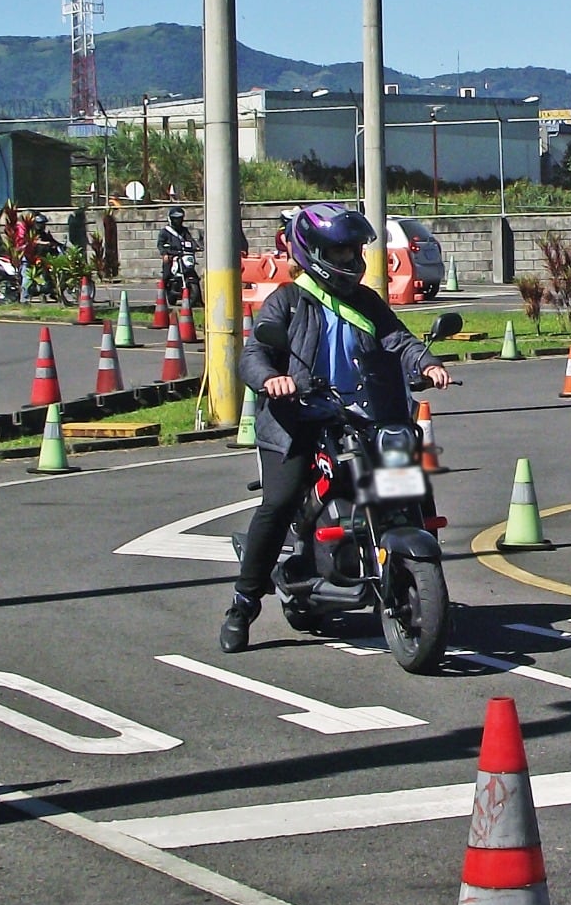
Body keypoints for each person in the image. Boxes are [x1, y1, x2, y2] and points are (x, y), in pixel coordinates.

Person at [222, 203, 450, 653]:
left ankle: (410, 562)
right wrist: (272, 378)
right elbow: (254, 354)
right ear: (315, 253)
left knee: (412, 472)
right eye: (341, 254)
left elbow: (397, 340)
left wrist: (427, 363)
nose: (351, 262)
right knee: (282, 500)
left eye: (353, 253)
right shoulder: (287, 300)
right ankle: (243, 603)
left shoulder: (366, 301)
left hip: (366, 416)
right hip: (298, 420)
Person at [158, 205, 199, 309]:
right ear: (171, 219)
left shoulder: (184, 231)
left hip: (183, 255)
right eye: (175, 218)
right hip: (172, 256)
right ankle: (163, 294)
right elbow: (160, 244)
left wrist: (196, 247)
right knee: (166, 275)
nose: (178, 221)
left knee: (194, 274)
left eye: (180, 218)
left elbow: (190, 240)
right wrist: (164, 253)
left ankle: (199, 299)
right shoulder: (165, 232)